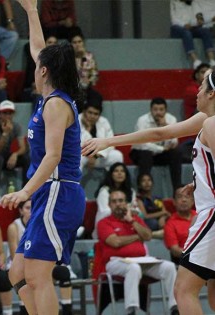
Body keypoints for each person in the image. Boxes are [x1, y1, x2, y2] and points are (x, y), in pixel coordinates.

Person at [81, 66, 215, 315]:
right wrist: (109, 141)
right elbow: (159, 133)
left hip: (212, 216)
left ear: (212, 94)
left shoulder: (211, 124)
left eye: (202, 86)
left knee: (183, 290)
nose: (196, 90)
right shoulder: (206, 120)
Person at [0, 1, 86, 314]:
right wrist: (31, 11)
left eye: (38, 65)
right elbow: (39, 48)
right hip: (48, 194)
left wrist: (24, 192)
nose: (34, 66)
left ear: (44, 71)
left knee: (36, 276)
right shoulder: (52, 96)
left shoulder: (55, 105)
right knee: (18, 274)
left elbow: (53, 156)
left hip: (57, 192)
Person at [97, 189, 178, 315]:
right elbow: (115, 242)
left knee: (169, 267)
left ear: (126, 203)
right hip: (115, 262)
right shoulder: (104, 223)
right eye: (114, 201)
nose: (118, 204)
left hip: (142, 260)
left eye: (121, 201)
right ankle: (132, 310)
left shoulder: (134, 220)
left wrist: (132, 221)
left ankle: (175, 308)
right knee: (133, 268)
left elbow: (148, 235)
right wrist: (137, 236)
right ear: (109, 205)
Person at [130, 97, 183, 191]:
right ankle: (143, 191)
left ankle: (177, 188)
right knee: (146, 154)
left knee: (176, 152)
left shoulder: (171, 119)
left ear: (166, 110)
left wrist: (165, 126)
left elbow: (174, 142)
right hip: (140, 153)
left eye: (161, 109)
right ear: (151, 110)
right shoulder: (142, 120)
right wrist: (161, 149)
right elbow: (142, 144)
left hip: (160, 154)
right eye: (155, 109)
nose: (158, 112)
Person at [94, 162, 145, 238]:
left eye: (122, 171)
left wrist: (134, 211)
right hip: (108, 222)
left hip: (126, 221)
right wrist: (125, 210)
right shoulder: (104, 191)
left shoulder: (131, 191)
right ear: (111, 174)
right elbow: (104, 211)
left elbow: (136, 209)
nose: (119, 173)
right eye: (116, 171)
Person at [170, 0, 215, 69]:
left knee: (205, 31)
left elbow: (196, 19)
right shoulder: (174, 2)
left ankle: (212, 60)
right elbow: (174, 20)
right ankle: (195, 61)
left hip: (191, 27)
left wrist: (198, 22)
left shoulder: (194, 3)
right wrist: (184, 25)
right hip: (177, 27)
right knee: (186, 33)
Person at [79, 102, 123, 171]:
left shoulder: (104, 122)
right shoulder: (76, 120)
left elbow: (111, 143)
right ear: (84, 112)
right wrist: (87, 129)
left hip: (98, 156)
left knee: (117, 155)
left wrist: (96, 156)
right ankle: (75, 181)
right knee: (77, 159)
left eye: (96, 114)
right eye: (90, 113)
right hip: (82, 156)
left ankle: (112, 181)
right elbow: (78, 144)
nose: (92, 116)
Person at [70, 32, 103, 112]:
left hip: (87, 87)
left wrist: (90, 80)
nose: (77, 44)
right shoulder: (68, 58)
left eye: (79, 42)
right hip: (73, 89)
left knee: (97, 96)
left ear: (83, 43)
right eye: (74, 42)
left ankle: (92, 121)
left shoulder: (89, 57)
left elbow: (95, 74)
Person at [164, 186, 196, 265]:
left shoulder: (201, 216)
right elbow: (175, 251)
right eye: (180, 197)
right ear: (174, 202)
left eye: (187, 196)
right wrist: (197, 256)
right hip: (186, 264)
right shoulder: (170, 223)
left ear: (193, 201)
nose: (184, 200)